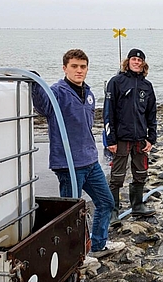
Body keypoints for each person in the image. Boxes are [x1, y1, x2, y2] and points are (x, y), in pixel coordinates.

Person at [32, 49, 125, 257]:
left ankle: (98, 245)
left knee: (106, 203)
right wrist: (36, 86)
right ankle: (75, 256)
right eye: (74, 66)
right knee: (71, 214)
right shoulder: (56, 92)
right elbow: (43, 107)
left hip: (90, 160)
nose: (79, 70)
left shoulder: (89, 94)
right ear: (65, 68)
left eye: (83, 67)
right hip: (68, 164)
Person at [103, 48, 157, 221]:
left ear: (143, 64)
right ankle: (113, 211)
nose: (136, 62)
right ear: (128, 62)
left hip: (140, 139)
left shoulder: (147, 86)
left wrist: (151, 137)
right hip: (120, 138)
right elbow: (108, 112)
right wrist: (110, 139)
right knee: (117, 176)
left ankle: (138, 206)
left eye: (139, 60)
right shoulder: (116, 82)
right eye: (133, 59)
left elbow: (151, 113)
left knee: (141, 173)